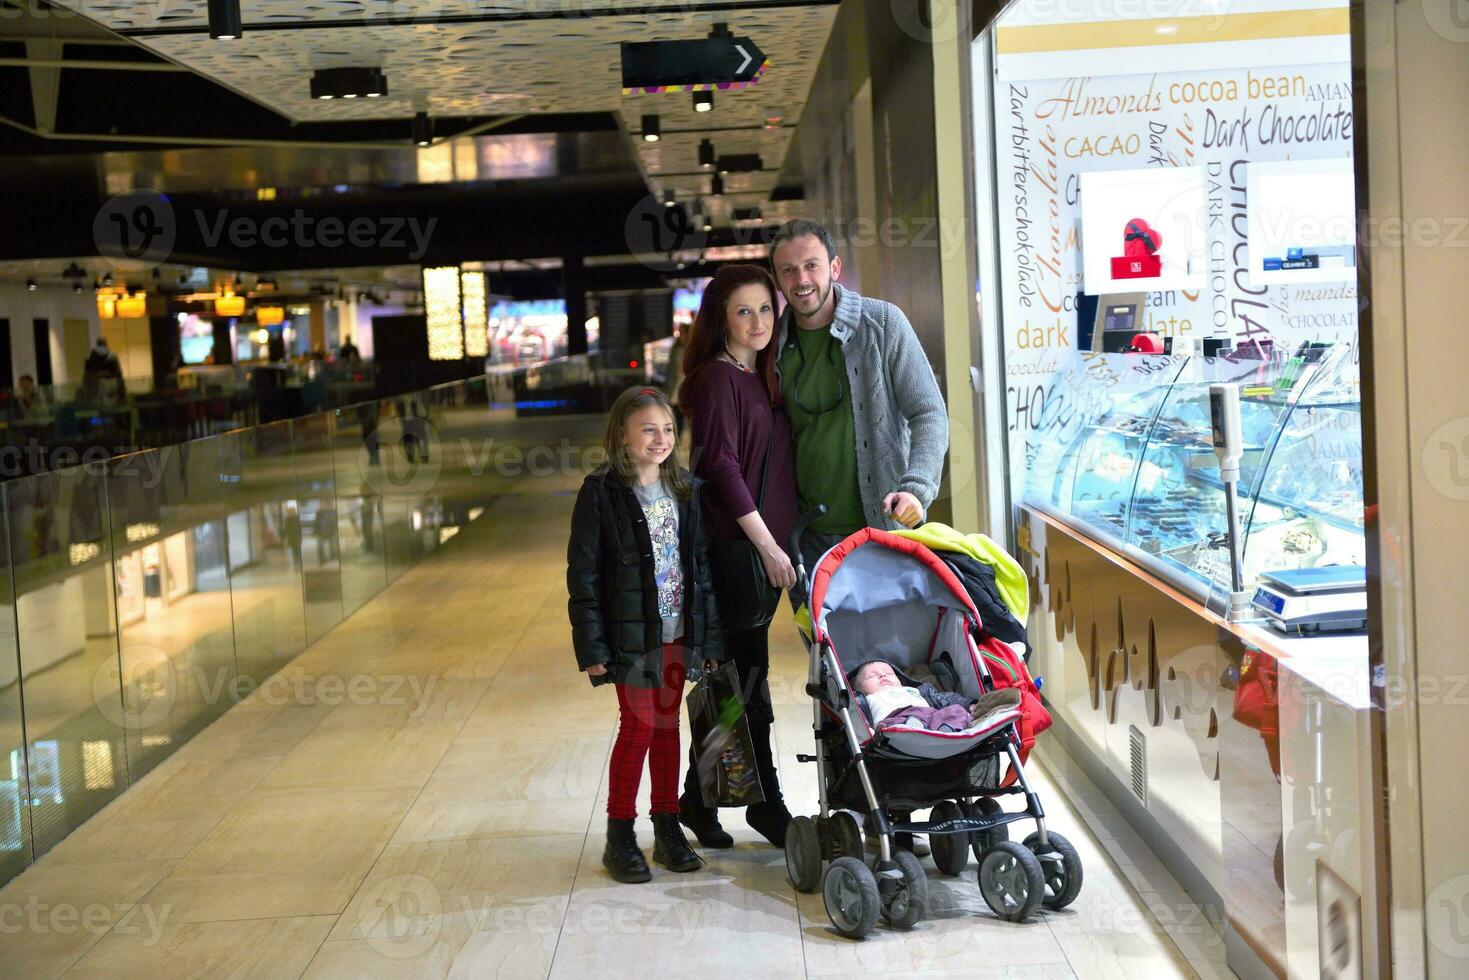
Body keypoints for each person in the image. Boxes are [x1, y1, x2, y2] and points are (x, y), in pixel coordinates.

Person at [770, 217, 950, 855]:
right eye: (789, 271)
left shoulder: (881, 324)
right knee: (834, 682)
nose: (802, 280)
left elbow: (929, 411)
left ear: (835, 268)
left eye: (812, 265)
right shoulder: (775, 343)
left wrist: (917, 486)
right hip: (811, 549)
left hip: (881, 540)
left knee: (893, 667)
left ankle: (906, 800)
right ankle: (854, 811)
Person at [568, 385, 723, 884]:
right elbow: (584, 575)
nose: (661, 439)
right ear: (622, 436)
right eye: (648, 430)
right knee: (637, 730)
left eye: (669, 430)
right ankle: (619, 836)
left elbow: (701, 568)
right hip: (630, 638)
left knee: (667, 727)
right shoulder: (601, 492)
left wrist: (710, 639)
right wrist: (592, 647)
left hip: (678, 631)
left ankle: (668, 827)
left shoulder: (686, 489)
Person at [674, 265, 799, 851]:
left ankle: (696, 802)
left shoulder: (758, 375)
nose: (758, 322)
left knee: (737, 681)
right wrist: (768, 545)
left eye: (766, 310)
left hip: (758, 552)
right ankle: (766, 804)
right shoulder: (718, 379)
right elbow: (719, 466)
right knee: (747, 686)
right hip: (737, 551)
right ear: (721, 317)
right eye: (744, 311)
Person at [849, 659, 1021, 733]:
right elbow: (856, 722)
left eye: (888, 673)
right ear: (859, 689)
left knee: (955, 711)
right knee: (896, 724)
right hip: (894, 723)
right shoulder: (865, 701)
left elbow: (944, 699)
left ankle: (949, 728)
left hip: (931, 718)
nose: (882, 676)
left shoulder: (914, 690)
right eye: (872, 676)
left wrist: (969, 704)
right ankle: (912, 728)